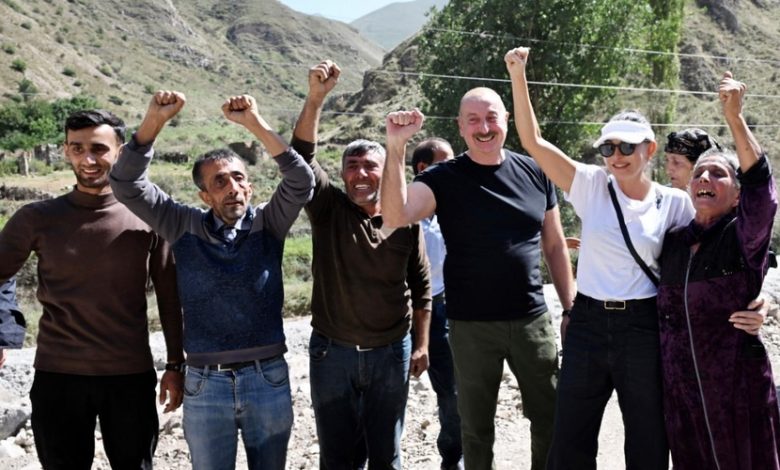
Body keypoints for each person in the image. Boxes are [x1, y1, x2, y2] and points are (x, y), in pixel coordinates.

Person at [505, 46, 696, 470]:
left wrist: (755, 299)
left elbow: (709, 259)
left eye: (626, 146)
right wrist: (518, 75)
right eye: (608, 148)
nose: (616, 156)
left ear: (649, 149)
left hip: (643, 326)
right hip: (589, 323)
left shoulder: (675, 203)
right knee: (570, 437)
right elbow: (533, 142)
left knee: (648, 436)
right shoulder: (591, 184)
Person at [109, 92, 314, 470]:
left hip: (267, 377)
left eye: (239, 178)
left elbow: (301, 180)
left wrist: (253, 123)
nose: (232, 187)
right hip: (205, 384)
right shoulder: (182, 224)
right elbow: (125, 183)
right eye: (220, 182)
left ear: (250, 188)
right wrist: (154, 121)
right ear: (205, 195)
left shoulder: (269, 223)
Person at [381, 93, 576, 467]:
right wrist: (395, 146)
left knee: (550, 417)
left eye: (491, 117)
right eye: (472, 119)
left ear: (506, 119)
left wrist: (571, 308)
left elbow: (554, 245)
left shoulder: (536, 172)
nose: (483, 128)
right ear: (460, 126)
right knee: (475, 429)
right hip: (471, 326)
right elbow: (395, 215)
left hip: (532, 320)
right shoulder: (442, 178)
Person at [0, 109, 184, 469]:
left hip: (129, 377)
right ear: (65, 151)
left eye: (99, 149)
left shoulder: (149, 216)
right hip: (57, 378)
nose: (88, 159)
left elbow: (170, 297)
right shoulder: (36, 218)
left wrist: (176, 365)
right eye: (77, 148)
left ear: (120, 152)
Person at [290, 60, 432, 469]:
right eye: (352, 167)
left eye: (370, 165)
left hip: (391, 352)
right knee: (338, 457)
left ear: (386, 172)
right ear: (342, 175)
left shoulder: (404, 219)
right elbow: (301, 157)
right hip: (332, 353)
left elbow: (421, 286)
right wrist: (316, 99)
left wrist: (421, 345)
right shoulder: (328, 209)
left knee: (387, 454)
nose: (360, 174)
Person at [657, 72, 779, 469]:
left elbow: (762, 192)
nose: (705, 178)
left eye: (718, 174)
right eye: (698, 174)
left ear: (737, 195)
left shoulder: (742, 237)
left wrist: (734, 118)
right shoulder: (673, 241)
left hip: (738, 393)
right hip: (682, 398)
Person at [411, 138, 463, 470]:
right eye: (447, 162)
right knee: (386, 397)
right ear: (423, 168)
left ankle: (453, 460)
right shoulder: (402, 207)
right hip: (399, 313)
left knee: (453, 393)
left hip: (443, 310)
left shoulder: (454, 209)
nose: (454, 168)